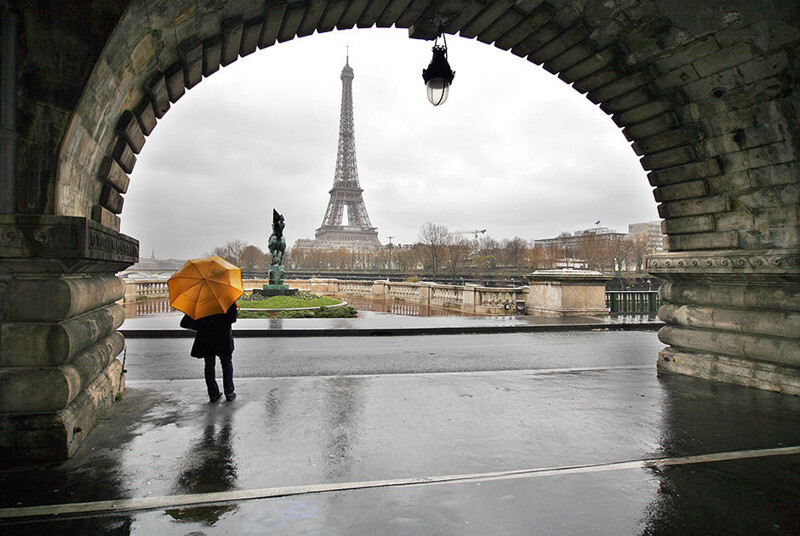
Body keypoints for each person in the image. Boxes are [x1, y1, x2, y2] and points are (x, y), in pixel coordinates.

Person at [180, 303, 238, 402]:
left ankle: (213, 393)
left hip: (206, 339)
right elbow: (232, 318)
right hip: (223, 337)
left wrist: (202, 326)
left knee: (209, 365)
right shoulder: (225, 299)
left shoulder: (200, 301)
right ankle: (229, 392)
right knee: (226, 364)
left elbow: (185, 323)